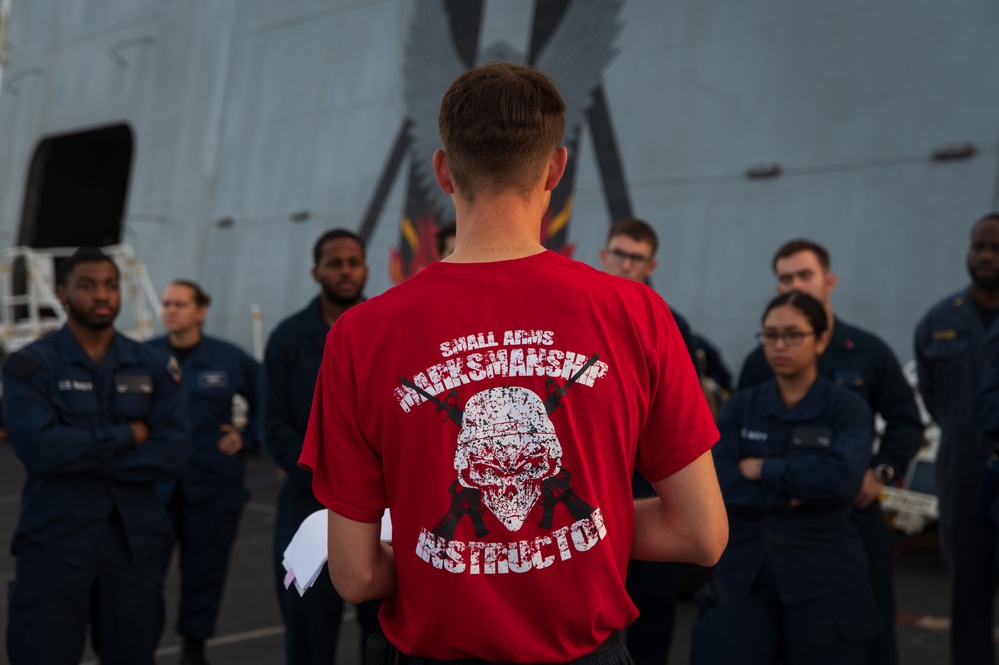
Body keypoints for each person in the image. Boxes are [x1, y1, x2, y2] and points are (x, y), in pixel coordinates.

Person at [300, 62, 727, 664]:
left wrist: (435, 549)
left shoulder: (358, 334)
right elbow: (701, 534)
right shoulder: (636, 312)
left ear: (444, 172)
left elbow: (354, 575)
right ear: (555, 167)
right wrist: (583, 529)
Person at [738, 238, 921, 664]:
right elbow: (736, 435)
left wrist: (881, 472)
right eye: (786, 279)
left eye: (805, 275)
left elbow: (905, 421)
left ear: (829, 280)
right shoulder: (761, 358)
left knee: (867, 630)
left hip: (850, 516)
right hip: (778, 521)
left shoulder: (867, 351)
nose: (795, 286)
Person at [2, 247, 187, 665]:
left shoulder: (155, 366)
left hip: (135, 548)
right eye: (87, 286)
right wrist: (128, 434)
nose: (101, 295)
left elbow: (172, 453)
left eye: (110, 285)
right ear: (63, 293)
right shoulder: (30, 367)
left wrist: (80, 451)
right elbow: (39, 450)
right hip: (55, 544)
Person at [692, 292, 882, 664]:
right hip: (745, 576)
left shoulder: (847, 409)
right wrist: (791, 495)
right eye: (770, 335)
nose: (779, 345)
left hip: (823, 577)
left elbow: (841, 480)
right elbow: (719, 486)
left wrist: (763, 469)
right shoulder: (741, 407)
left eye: (792, 335)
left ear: (821, 340)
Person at [263, 228, 379, 665]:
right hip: (308, 510)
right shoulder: (287, 340)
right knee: (309, 634)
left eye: (353, 261)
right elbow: (272, 428)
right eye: (335, 263)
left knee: (386, 636)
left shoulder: (390, 327)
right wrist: (336, 477)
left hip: (383, 512)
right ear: (316, 272)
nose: (345, 271)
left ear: (365, 268)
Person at [146, 280, 260, 665]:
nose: (170, 310)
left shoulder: (228, 358)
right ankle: (138, 645)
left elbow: (268, 399)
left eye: (179, 304)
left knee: (204, 574)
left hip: (212, 488)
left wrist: (248, 437)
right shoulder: (144, 356)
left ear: (201, 310)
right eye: (166, 303)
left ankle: (193, 649)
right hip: (153, 490)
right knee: (142, 576)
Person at [597, 217, 685, 664]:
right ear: (603, 255)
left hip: (648, 487)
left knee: (650, 606)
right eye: (619, 253)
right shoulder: (575, 314)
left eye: (636, 258)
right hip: (592, 484)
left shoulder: (666, 323)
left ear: (651, 265)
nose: (625, 264)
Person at [915, 212, 999, 665]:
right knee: (967, 588)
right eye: (978, 245)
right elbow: (930, 391)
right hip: (962, 465)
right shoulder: (940, 319)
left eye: (996, 248)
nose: (986, 255)